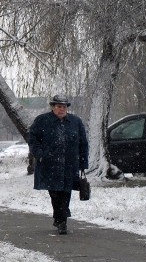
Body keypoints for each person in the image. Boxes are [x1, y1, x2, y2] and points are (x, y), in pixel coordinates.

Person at [28, 94, 88, 235]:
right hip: (49, 164)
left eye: (64, 107)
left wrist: (83, 162)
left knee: (66, 191)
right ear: (53, 107)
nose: (62, 109)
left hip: (69, 163)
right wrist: (40, 154)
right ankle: (59, 216)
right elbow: (32, 139)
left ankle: (62, 221)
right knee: (54, 192)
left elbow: (83, 143)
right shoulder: (42, 121)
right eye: (59, 106)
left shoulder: (75, 122)